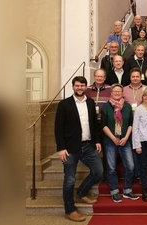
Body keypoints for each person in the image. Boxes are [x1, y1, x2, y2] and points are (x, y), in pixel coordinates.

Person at [54, 76, 104, 222]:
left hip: (88, 145)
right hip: (70, 148)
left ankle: (81, 193)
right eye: (77, 85)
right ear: (73, 87)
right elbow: (58, 128)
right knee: (69, 180)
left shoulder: (90, 102)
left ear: (86, 87)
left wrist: (97, 141)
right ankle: (70, 210)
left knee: (98, 171)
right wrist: (61, 148)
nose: (80, 88)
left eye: (82, 85)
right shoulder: (64, 104)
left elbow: (94, 124)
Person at [100, 84, 139, 203]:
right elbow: (103, 125)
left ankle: (127, 190)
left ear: (123, 93)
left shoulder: (127, 106)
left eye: (119, 92)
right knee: (111, 168)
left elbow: (131, 124)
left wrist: (126, 137)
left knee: (130, 166)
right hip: (110, 141)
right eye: (115, 91)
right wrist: (113, 138)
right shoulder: (106, 107)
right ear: (111, 93)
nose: (117, 93)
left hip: (125, 140)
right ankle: (114, 191)